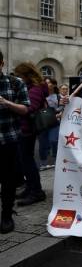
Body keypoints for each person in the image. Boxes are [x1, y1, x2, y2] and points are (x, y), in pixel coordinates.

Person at [0, 50, 30, 233]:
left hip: (8, 140)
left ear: (2, 64)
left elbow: (26, 109)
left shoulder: (15, 82)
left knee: (8, 181)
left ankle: (6, 215)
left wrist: (6, 103)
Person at [13, 62, 48, 207]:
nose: (18, 78)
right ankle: (30, 188)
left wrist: (12, 105)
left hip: (27, 129)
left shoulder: (34, 89)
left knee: (28, 162)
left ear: (27, 75)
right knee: (25, 161)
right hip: (26, 128)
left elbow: (30, 108)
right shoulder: (34, 87)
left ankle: (36, 191)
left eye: (20, 76)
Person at [38, 78, 61, 170]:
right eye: (45, 83)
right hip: (42, 122)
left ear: (54, 85)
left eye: (49, 83)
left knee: (54, 140)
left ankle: (56, 161)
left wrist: (59, 112)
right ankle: (43, 163)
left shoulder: (58, 96)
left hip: (54, 121)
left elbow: (61, 107)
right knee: (43, 143)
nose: (47, 84)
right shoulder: (40, 95)